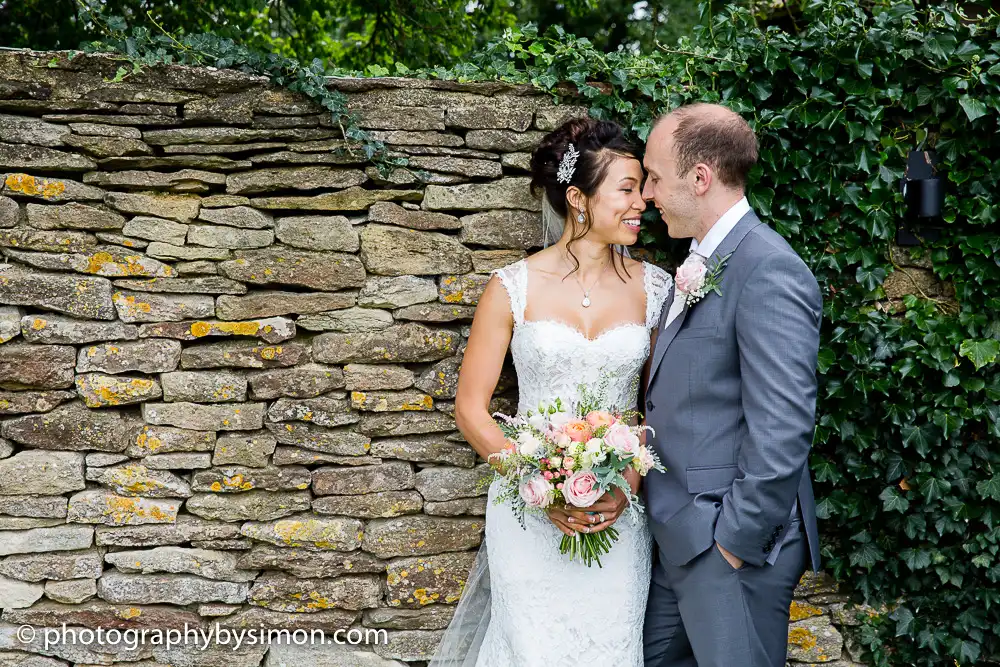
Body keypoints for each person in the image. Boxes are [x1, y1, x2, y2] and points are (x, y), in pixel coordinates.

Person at [429, 117, 673, 666]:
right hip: (528, 516)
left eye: (642, 189)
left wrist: (624, 486)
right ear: (578, 199)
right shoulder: (511, 287)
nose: (643, 203)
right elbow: (471, 408)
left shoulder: (656, 289)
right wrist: (540, 487)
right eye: (627, 190)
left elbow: (655, 408)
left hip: (619, 512)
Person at [640, 103, 823, 667]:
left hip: (727, 543)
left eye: (653, 177)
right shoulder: (699, 260)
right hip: (680, 535)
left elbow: (784, 425)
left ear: (700, 178)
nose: (647, 194)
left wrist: (733, 545)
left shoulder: (767, 268)